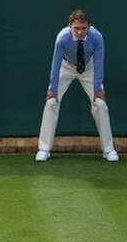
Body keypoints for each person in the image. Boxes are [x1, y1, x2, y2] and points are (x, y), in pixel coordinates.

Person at [36, 9, 117, 163]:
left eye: (83, 28)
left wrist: (98, 88)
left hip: (90, 68)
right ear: (70, 26)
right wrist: (52, 89)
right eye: (76, 28)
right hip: (66, 67)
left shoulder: (97, 37)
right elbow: (56, 64)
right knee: (51, 102)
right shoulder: (62, 38)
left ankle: (108, 150)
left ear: (89, 26)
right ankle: (44, 149)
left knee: (100, 104)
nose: (80, 32)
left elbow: (99, 63)